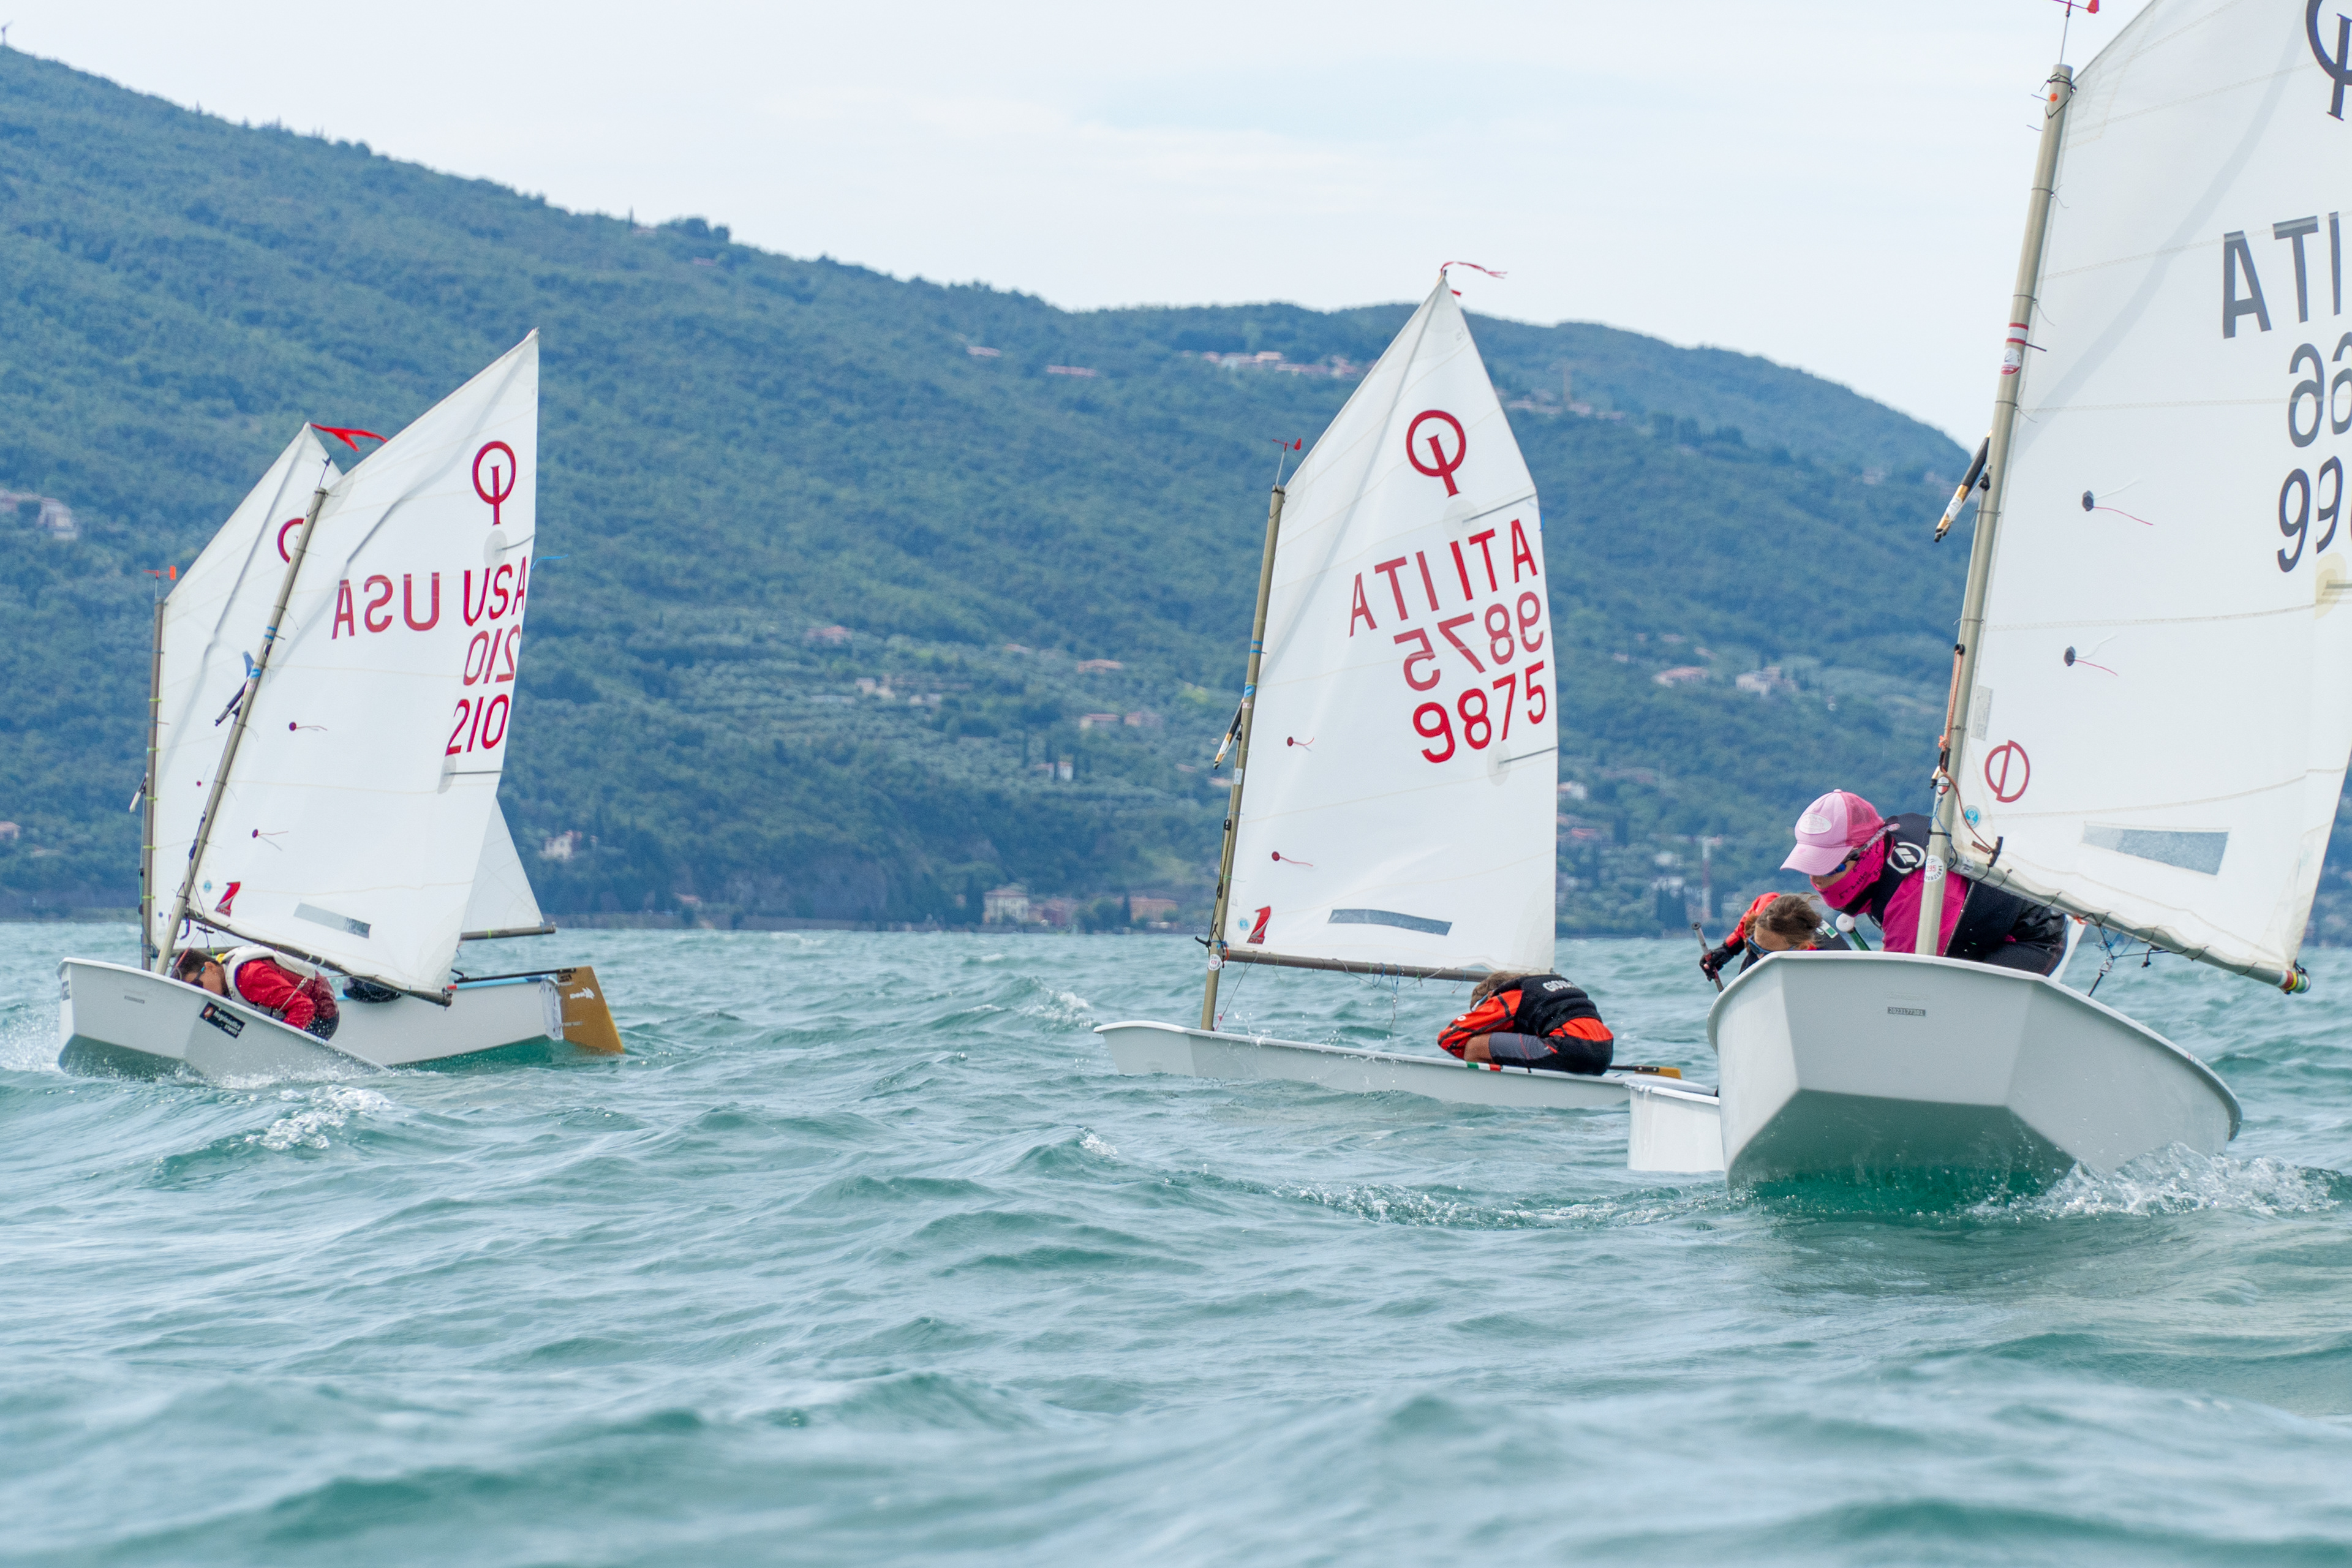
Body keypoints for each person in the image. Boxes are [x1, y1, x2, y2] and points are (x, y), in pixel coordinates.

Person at [1781, 789, 2066, 974]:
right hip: (1970, 937)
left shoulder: (1912, 894)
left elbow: (1903, 984)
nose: (1817, 879)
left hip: (2029, 936)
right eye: (1811, 867)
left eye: (1830, 867)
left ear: (1865, 852)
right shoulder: (1884, 845)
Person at [1438, 971, 1614, 1075]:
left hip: (1566, 1046)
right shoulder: (1544, 991)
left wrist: (1483, 1054)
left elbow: (1447, 1038)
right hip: (1604, 1055)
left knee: (1476, 1046)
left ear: (1491, 996)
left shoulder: (1513, 995)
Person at [172, 944, 341, 1038]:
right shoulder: (226, 980)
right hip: (293, 1012)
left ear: (210, 967)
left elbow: (304, 1006)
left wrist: (278, 1046)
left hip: (321, 1016)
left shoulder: (249, 977)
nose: (199, 993)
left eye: (197, 986)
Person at [1699, 892, 1847, 981]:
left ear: (1801, 948)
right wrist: (1728, 949)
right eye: (1756, 947)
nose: (1760, 958)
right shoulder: (1767, 912)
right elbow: (1763, 902)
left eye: (1768, 955)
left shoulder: (1828, 962)